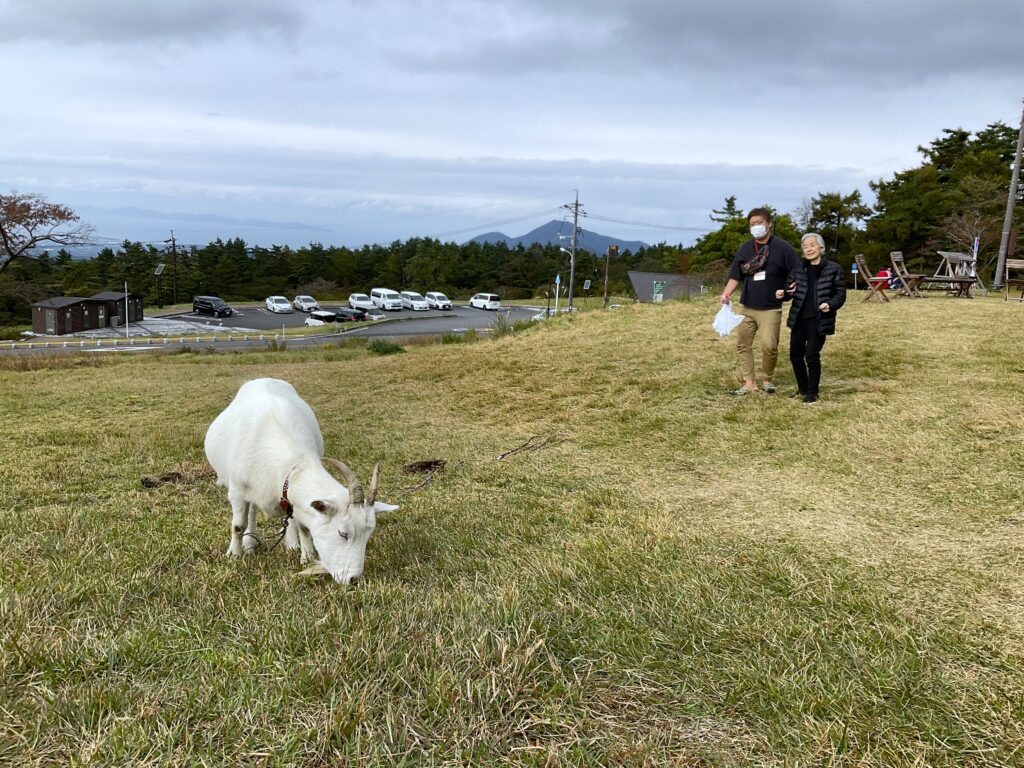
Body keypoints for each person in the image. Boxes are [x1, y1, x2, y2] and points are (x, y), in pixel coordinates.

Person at [720, 208, 800, 395]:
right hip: (747, 306)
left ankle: (767, 378)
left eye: (759, 222)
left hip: (770, 307)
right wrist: (726, 295)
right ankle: (749, 382)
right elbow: (735, 275)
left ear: (769, 223)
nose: (756, 227)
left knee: (769, 346)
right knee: (742, 344)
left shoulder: (782, 247)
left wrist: (791, 288)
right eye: (752, 224)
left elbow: (796, 271)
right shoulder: (746, 248)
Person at [776, 232, 846, 403]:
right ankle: (803, 388)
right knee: (795, 356)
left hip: (819, 319)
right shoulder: (798, 268)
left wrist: (830, 304)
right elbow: (789, 290)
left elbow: (840, 294)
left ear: (821, 248)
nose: (809, 249)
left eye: (812, 245)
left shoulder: (833, 268)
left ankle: (812, 392)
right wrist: (784, 293)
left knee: (811, 355)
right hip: (799, 319)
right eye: (805, 246)